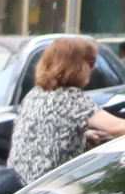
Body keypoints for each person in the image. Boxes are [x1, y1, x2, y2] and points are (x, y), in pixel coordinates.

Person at [12, 35, 125, 183]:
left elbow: (46, 134)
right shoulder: (70, 97)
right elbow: (116, 128)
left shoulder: (35, 94)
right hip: (52, 189)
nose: (94, 69)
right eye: (90, 63)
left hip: (23, 187)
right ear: (77, 66)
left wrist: (82, 136)